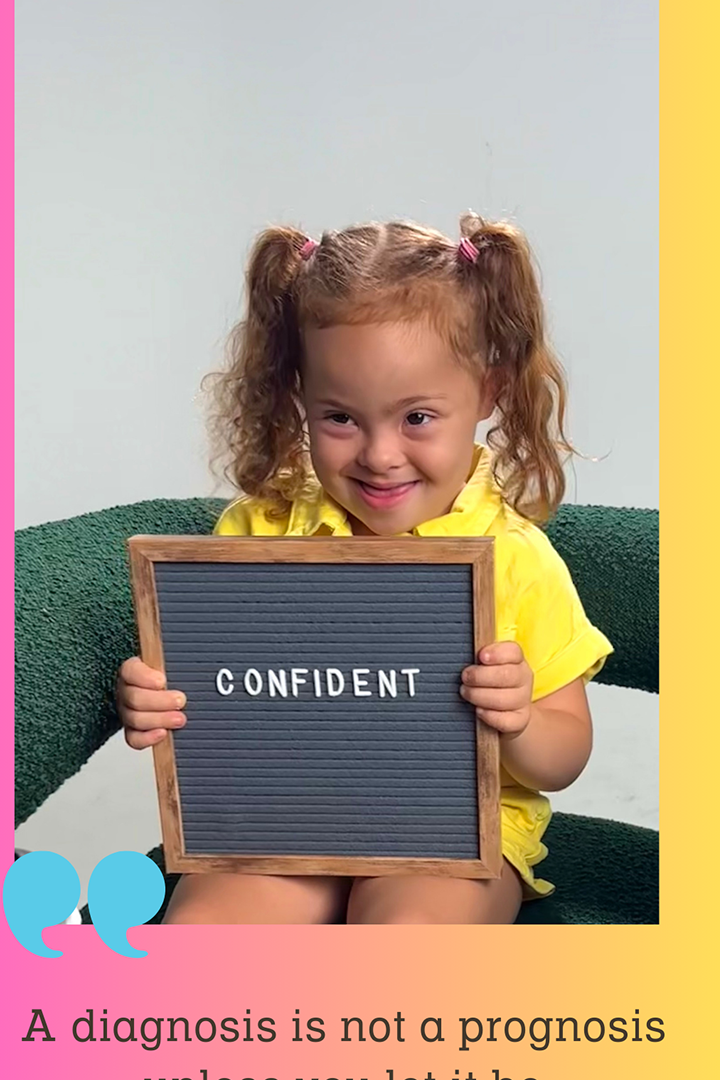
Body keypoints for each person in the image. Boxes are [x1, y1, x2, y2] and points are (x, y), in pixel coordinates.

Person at [116, 213, 612, 925]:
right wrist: (159, 700)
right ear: (299, 396)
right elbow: (213, 705)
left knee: (406, 948)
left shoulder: (516, 556)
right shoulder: (257, 531)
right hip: (281, 817)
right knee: (205, 937)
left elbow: (565, 755)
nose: (380, 453)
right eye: (340, 418)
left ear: (488, 392)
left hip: (459, 830)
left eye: (416, 418)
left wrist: (521, 719)